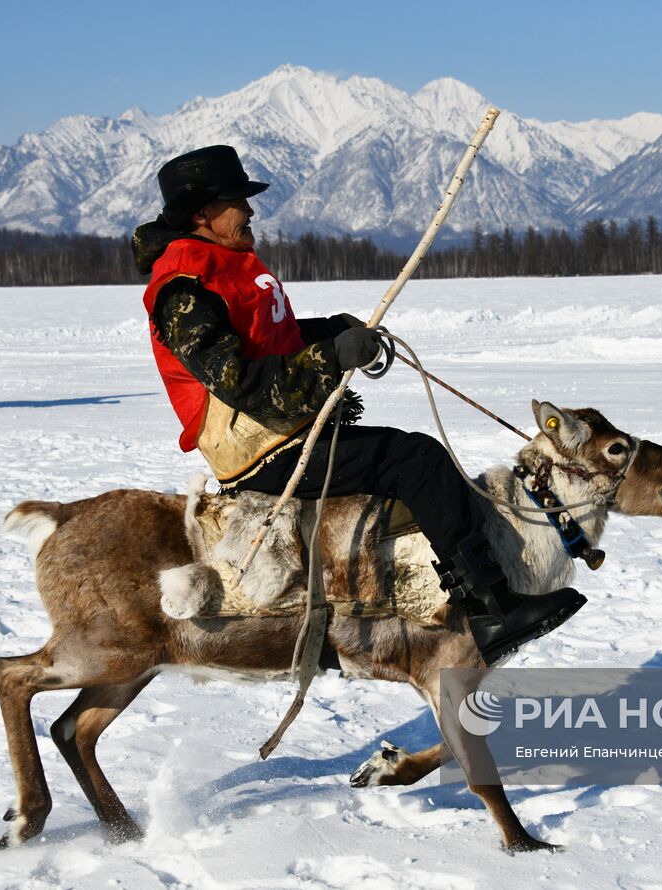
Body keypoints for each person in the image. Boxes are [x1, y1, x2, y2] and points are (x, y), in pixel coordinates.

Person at [131, 145, 586, 665]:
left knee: (413, 456)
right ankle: (492, 609)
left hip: (287, 432)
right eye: (238, 200)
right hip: (262, 451)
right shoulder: (183, 287)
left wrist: (330, 331)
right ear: (201, 213)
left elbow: (266, 339)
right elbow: (239, 381)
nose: (251, 211)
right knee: (418, 459)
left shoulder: (219, 263)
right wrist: (330, 357)